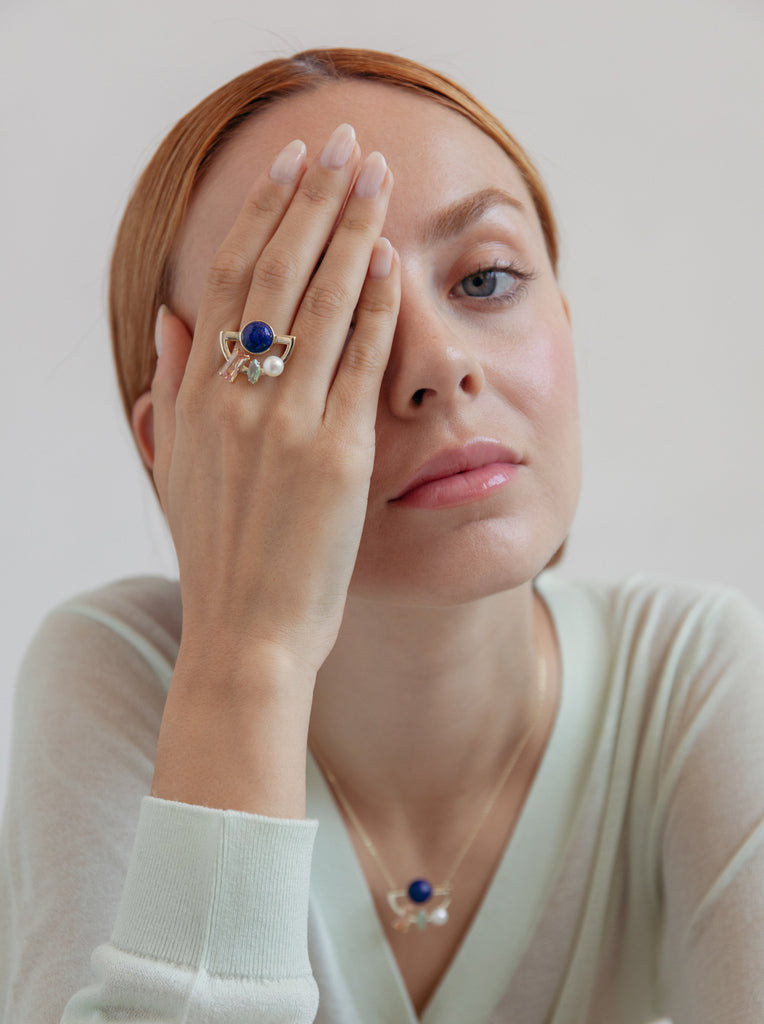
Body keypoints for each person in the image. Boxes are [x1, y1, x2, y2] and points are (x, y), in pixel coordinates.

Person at [1, 46, 762, 1024]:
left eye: (485, 279)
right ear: (178, 445)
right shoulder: (116, 678)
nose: (439, 364)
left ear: (564, 323)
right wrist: (249, 659)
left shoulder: (690, 680)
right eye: (313, 322)